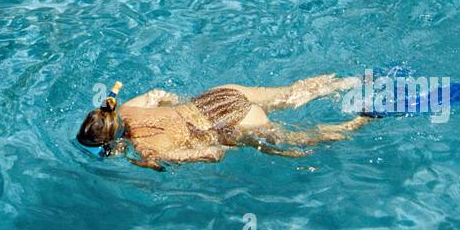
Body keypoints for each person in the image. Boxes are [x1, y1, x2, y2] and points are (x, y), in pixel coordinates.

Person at [76, 76, 372, 170]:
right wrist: (180, 106)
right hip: (218, 97)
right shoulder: (126, 107)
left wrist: (237, 143)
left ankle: (362, 119)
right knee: (291, 94)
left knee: (297, 142)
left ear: (109, 143)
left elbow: (212, 154)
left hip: (232, 123)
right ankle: (355, 80)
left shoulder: (146, 148)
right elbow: (159, 94)